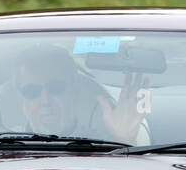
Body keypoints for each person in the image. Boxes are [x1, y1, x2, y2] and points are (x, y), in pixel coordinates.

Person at [11, 45, 150, 145]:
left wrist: (124, 140)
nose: (45, 100)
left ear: (74, 91)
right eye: (32, 91)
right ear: (19, 99)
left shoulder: (102, 144)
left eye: (56, 88)